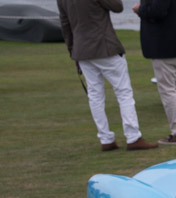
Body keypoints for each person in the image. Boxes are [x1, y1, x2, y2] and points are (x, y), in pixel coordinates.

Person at [56, 0, 158, 151]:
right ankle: (133, 136)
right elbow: (118, 6)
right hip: (105, 47)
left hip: (82, 50)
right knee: (123, 92)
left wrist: (73, 51)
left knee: (95, 95)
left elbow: (66, 25)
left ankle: (105, 138)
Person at [134, 0, 176, 146]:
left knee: (168, 90)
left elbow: (158, 11)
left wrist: (140, 9)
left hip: (164, 44)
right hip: (175, 43)